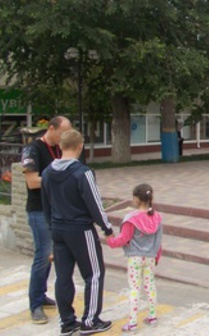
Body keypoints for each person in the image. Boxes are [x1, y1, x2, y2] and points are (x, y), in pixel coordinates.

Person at [41, 129, 114, 336]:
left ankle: (67, 323)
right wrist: (106, 228)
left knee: (63, 276)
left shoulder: (47, 173)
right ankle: (90, 321)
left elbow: (46, 204)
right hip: (81, 230)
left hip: (58, 229)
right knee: (94, 273)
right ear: (80, 146)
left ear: (60, 147)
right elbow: (95, 204)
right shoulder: (83, 173)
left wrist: (51, 227)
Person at [20, 115, 72, 324]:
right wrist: (58, 177)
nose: (65, 136)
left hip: (55, 210)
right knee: (42, 256)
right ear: (51, 129)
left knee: (51, 255)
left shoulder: (60, 149)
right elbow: (32, 182)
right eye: (63, 132)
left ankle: (41, 295)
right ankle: (35, 305)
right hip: (38, 210)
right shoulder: (32, 150)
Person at [106, 183, 163, 332]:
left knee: (134, 288)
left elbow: (124, 238)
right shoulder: (156, 217)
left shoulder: (131, 218)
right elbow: (159, 241)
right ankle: (152, 316)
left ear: (136, 199)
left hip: (135, 258)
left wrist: (110, 241)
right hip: (150, 257)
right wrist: (156, 256)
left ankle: (132, 322)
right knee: (150, 285)